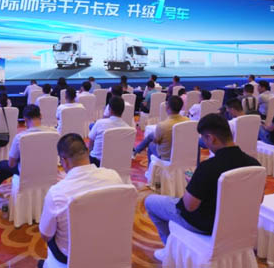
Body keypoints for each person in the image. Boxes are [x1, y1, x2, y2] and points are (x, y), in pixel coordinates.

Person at [144, 113, 260, 258]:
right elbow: (258, 199)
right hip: (236, 224)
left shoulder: (208, 167)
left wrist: (193, 184)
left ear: (211, 138)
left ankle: (170, 251)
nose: (205, 143)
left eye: (204, 139)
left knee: (150, 202)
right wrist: (197, 183)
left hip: (205, 224)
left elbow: (189, 206)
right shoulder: (255, 165)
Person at [38, 134, 123, 266]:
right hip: (108, 245)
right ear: (87, 152)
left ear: (64, 161)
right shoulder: (114, 176)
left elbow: (46, 235)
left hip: (69, 255)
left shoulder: (57, 193)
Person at [0, 105, 55, 197]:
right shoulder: (54, 133)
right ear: (41, 115)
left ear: (25, 119)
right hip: (48, 170)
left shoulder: (20, 138)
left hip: (27, 172)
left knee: (2, 165)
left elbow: (11, 164)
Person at [133, 96, 187, 162]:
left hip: (166, 156)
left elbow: (156, 141)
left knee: (151, 144)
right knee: (151, 135)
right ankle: (136, 151)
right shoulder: (187, 121)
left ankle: (149, 167)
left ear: (167, 107)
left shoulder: (162, 125)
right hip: (182, 154)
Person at [87, 96, 129, 166]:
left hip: (97, 162)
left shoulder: (100, 123)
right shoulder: (128, 128)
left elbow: (91, 143)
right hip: (117, 162)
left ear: (110, 109)